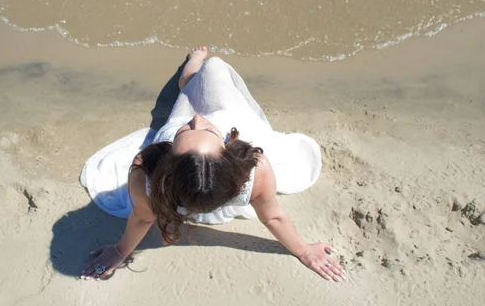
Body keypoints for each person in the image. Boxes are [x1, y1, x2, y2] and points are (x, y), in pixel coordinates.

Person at [80, 46, 344, 282]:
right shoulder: (256, 169)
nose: (197, 118)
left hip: (194, 194)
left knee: (195, 89)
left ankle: (193, 70)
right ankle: (196, 71)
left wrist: (119, 250)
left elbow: (142, 217)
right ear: (228, 150)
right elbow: (272, 215)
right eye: (189, 130)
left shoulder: (147, 169)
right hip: (207, 193)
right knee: (215, 71)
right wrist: (304, 250)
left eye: (191, 130)